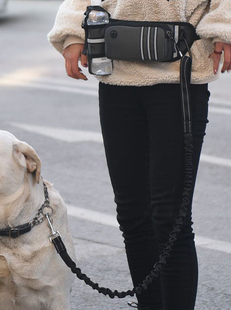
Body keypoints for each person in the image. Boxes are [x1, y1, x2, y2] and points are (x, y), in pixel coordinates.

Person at [48, 1, 231, 310]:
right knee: (133, 216)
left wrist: (224, 27)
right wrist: (71, 34)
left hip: (179, 76)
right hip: (117, 76)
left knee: (170, 219)